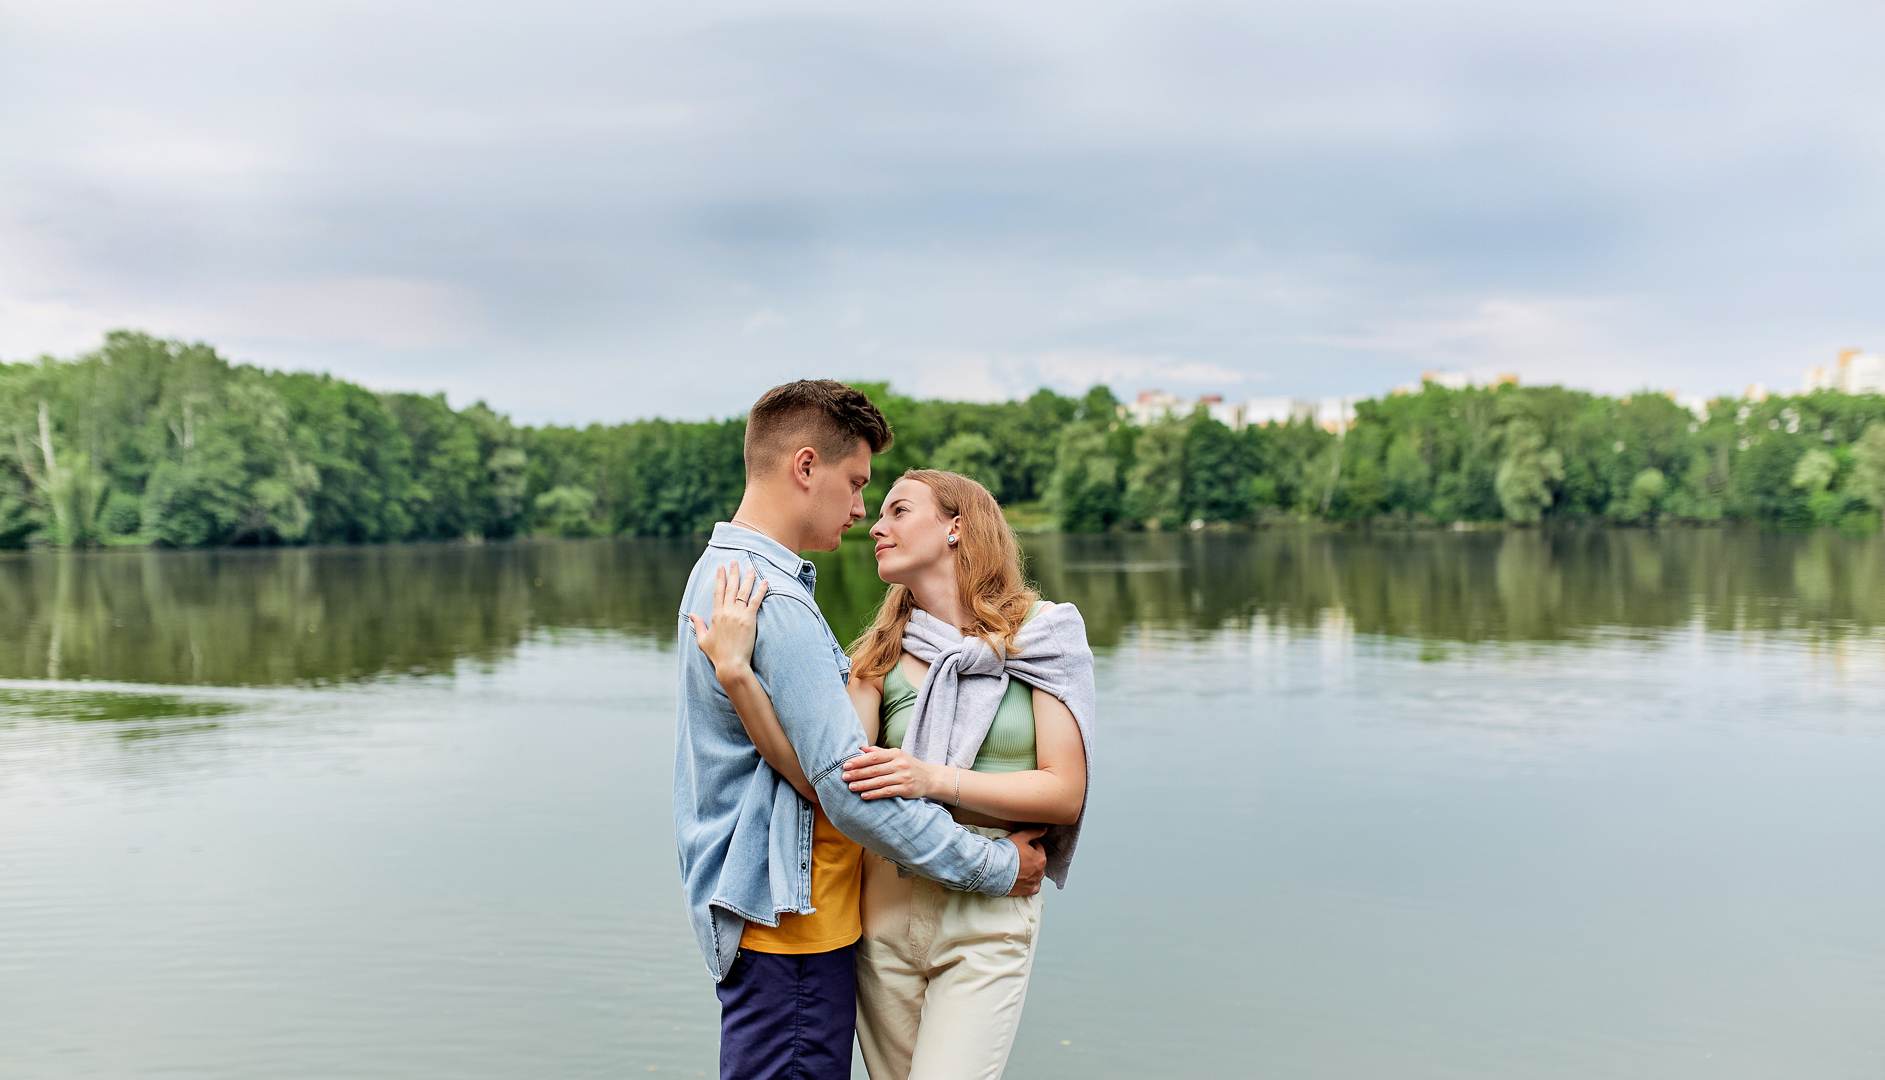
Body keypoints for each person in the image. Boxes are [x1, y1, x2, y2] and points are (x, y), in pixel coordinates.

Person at [674, 381, 1048, 1080]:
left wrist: (740, 680)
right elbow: (844, 786)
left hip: (782, 923)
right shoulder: (773, 598)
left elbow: (808, 769)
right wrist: (994, 866)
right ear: (804, 466)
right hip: (791, 931)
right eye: (854, 485)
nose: (859, 511)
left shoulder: (722, 576)